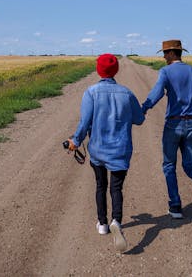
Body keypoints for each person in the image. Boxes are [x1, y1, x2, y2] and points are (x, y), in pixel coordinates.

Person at [68, 53, 145, 252]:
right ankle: (116, 221)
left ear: (99, 70)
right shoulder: (127, 93)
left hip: (98, 150)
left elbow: (84, 123)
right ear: (116, 70)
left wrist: (74, 141)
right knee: (116, 188)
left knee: (101, 185)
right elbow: (139, 119)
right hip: (120, 151)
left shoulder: (91, 92)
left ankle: (102, 224)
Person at [140, 39, 192, 219]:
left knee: (169, 165)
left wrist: (144, 108)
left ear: (171, 53)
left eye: (164, 53)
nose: (163, 57)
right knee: (189, 165)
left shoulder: (166, 71)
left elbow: (157, 92)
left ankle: (176, 206)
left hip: (174, 124)